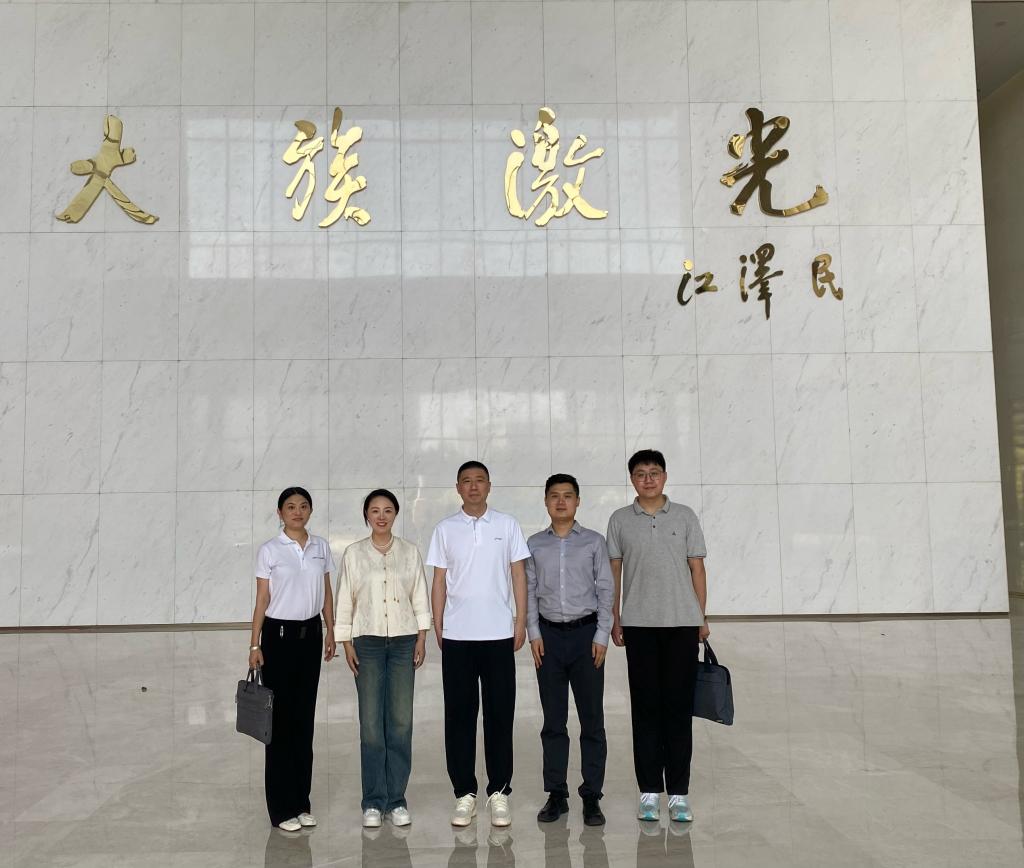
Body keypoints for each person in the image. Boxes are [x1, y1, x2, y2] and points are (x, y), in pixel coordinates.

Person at [606, 449, 709, 823]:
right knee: (645, 709)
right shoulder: (620, 520)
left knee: (678, 710)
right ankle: (649, 791)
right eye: (640, 473)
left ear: (664, 477)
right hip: (638, 626)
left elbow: (697, 569)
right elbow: (613, 574)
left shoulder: (685, 516)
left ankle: (679, 794)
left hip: (681, 624)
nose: (647, 479)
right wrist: (615, 618)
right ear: (632, 479)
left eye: (654, 472)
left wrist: (700, 617)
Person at [427, 460, 531, 828]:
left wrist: (520, 620)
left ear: (489, 485)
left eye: (480, 480)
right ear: (458, 487)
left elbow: (518, 574)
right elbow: (439, 580)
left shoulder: (507, 525)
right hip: (458, 636)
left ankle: (499, 792)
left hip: (499, 634)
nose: (473, 486)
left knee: (500, 714)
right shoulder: (445, 529)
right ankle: (464, 793)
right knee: (459, 716)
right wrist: (438, 624)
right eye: (466, 481)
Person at [336, 489, 431, 829]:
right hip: (368, 642)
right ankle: (374, 801)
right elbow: (345, 598)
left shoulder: (409, 552)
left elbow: (419, 595)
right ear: (366, 515)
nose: (381, 516)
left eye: (387, 510)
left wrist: (422, 636)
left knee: (401, 722)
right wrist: (345, 641)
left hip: (404, 641)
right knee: (372, 726)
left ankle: (397, 800)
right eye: (374, 510)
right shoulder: (354, 553)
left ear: (395, 514)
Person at [526, 473, 612, 827]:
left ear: (578, 501)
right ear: (546, 501)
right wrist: (533, 633)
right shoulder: (534, 544)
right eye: (554, 496)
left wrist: (602, 635)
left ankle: (591, 795)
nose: (561, 502)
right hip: (548, 637)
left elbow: (606, 589)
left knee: (592, 720)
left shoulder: (594, 542)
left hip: (586, 636)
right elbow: (529, 591)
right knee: (553, 721)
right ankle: (556, 794)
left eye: (568, 495)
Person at [249, 487, 336, 831]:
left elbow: (326, 591)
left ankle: (301, 803)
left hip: (310, 636)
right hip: (278, 638)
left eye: (303, 506)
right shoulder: (270, 550)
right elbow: (262, 598)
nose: (297, 511)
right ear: (280, 513)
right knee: (281, 723)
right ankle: (281, 808)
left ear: (310, 511)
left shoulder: (320, 547)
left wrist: (331, 630)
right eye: (290, 507)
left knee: (304, 721)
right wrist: (254, 644)